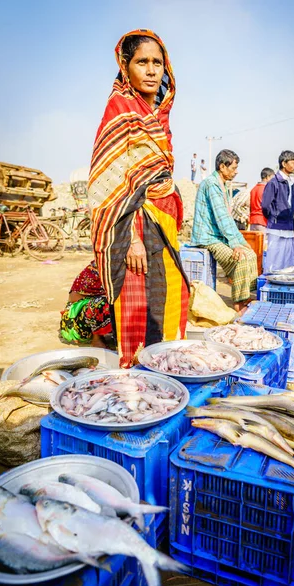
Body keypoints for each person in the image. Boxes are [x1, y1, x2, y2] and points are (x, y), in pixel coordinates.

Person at [88, 30, 190, 367]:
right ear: (125, 66)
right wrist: (130, 239)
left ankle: (166, 369)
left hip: (162, 221)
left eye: (157, 63)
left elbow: (156, 174)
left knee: (171, 295)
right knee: (138, 306)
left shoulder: (158, 116)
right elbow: (109, 183)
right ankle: (135, 379)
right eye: (141, 62)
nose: (150, 70)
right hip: (134, 227)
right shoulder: (120, 110)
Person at [191, 149, 258, 311]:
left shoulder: (223, 184)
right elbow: (222, 218)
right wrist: (235, 244)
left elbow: (228, 219)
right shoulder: (212, 184)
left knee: (251, 253)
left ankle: (247, 294)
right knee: (241, 258)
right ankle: (239, 301)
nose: (236, 171)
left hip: (218, 236)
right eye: (233, 168)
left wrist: (241, 242)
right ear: (222, 166)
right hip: (207, 237)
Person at [60, 261, 112, 348]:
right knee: (103, 303)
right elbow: (73, 299)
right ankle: (97, 338)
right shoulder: (102, 266)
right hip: (78, 323)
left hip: (95, 316)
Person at [261, 151, 294, 272]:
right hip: (276, 227)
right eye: (293, 162)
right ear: (284, 163)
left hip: (288, 226)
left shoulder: (290, 182)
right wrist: (274, 217)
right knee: (274, 259)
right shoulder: (273, 182)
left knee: (288, 260)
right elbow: (265, 206)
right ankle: (270, 283)